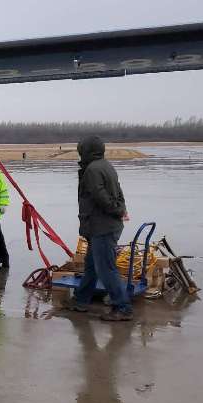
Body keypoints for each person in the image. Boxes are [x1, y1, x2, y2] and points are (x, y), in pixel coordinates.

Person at [69, 136, 132, 321]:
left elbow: (101, 196)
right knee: (91, 265)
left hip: (102, 226)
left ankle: (122, 307)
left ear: (87, 151)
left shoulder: (93, 170)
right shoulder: (106, 165)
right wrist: (121, 209)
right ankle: (81, 300)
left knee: (106, 269)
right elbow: (118, 192)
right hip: (104, 225)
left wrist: (118, 210)